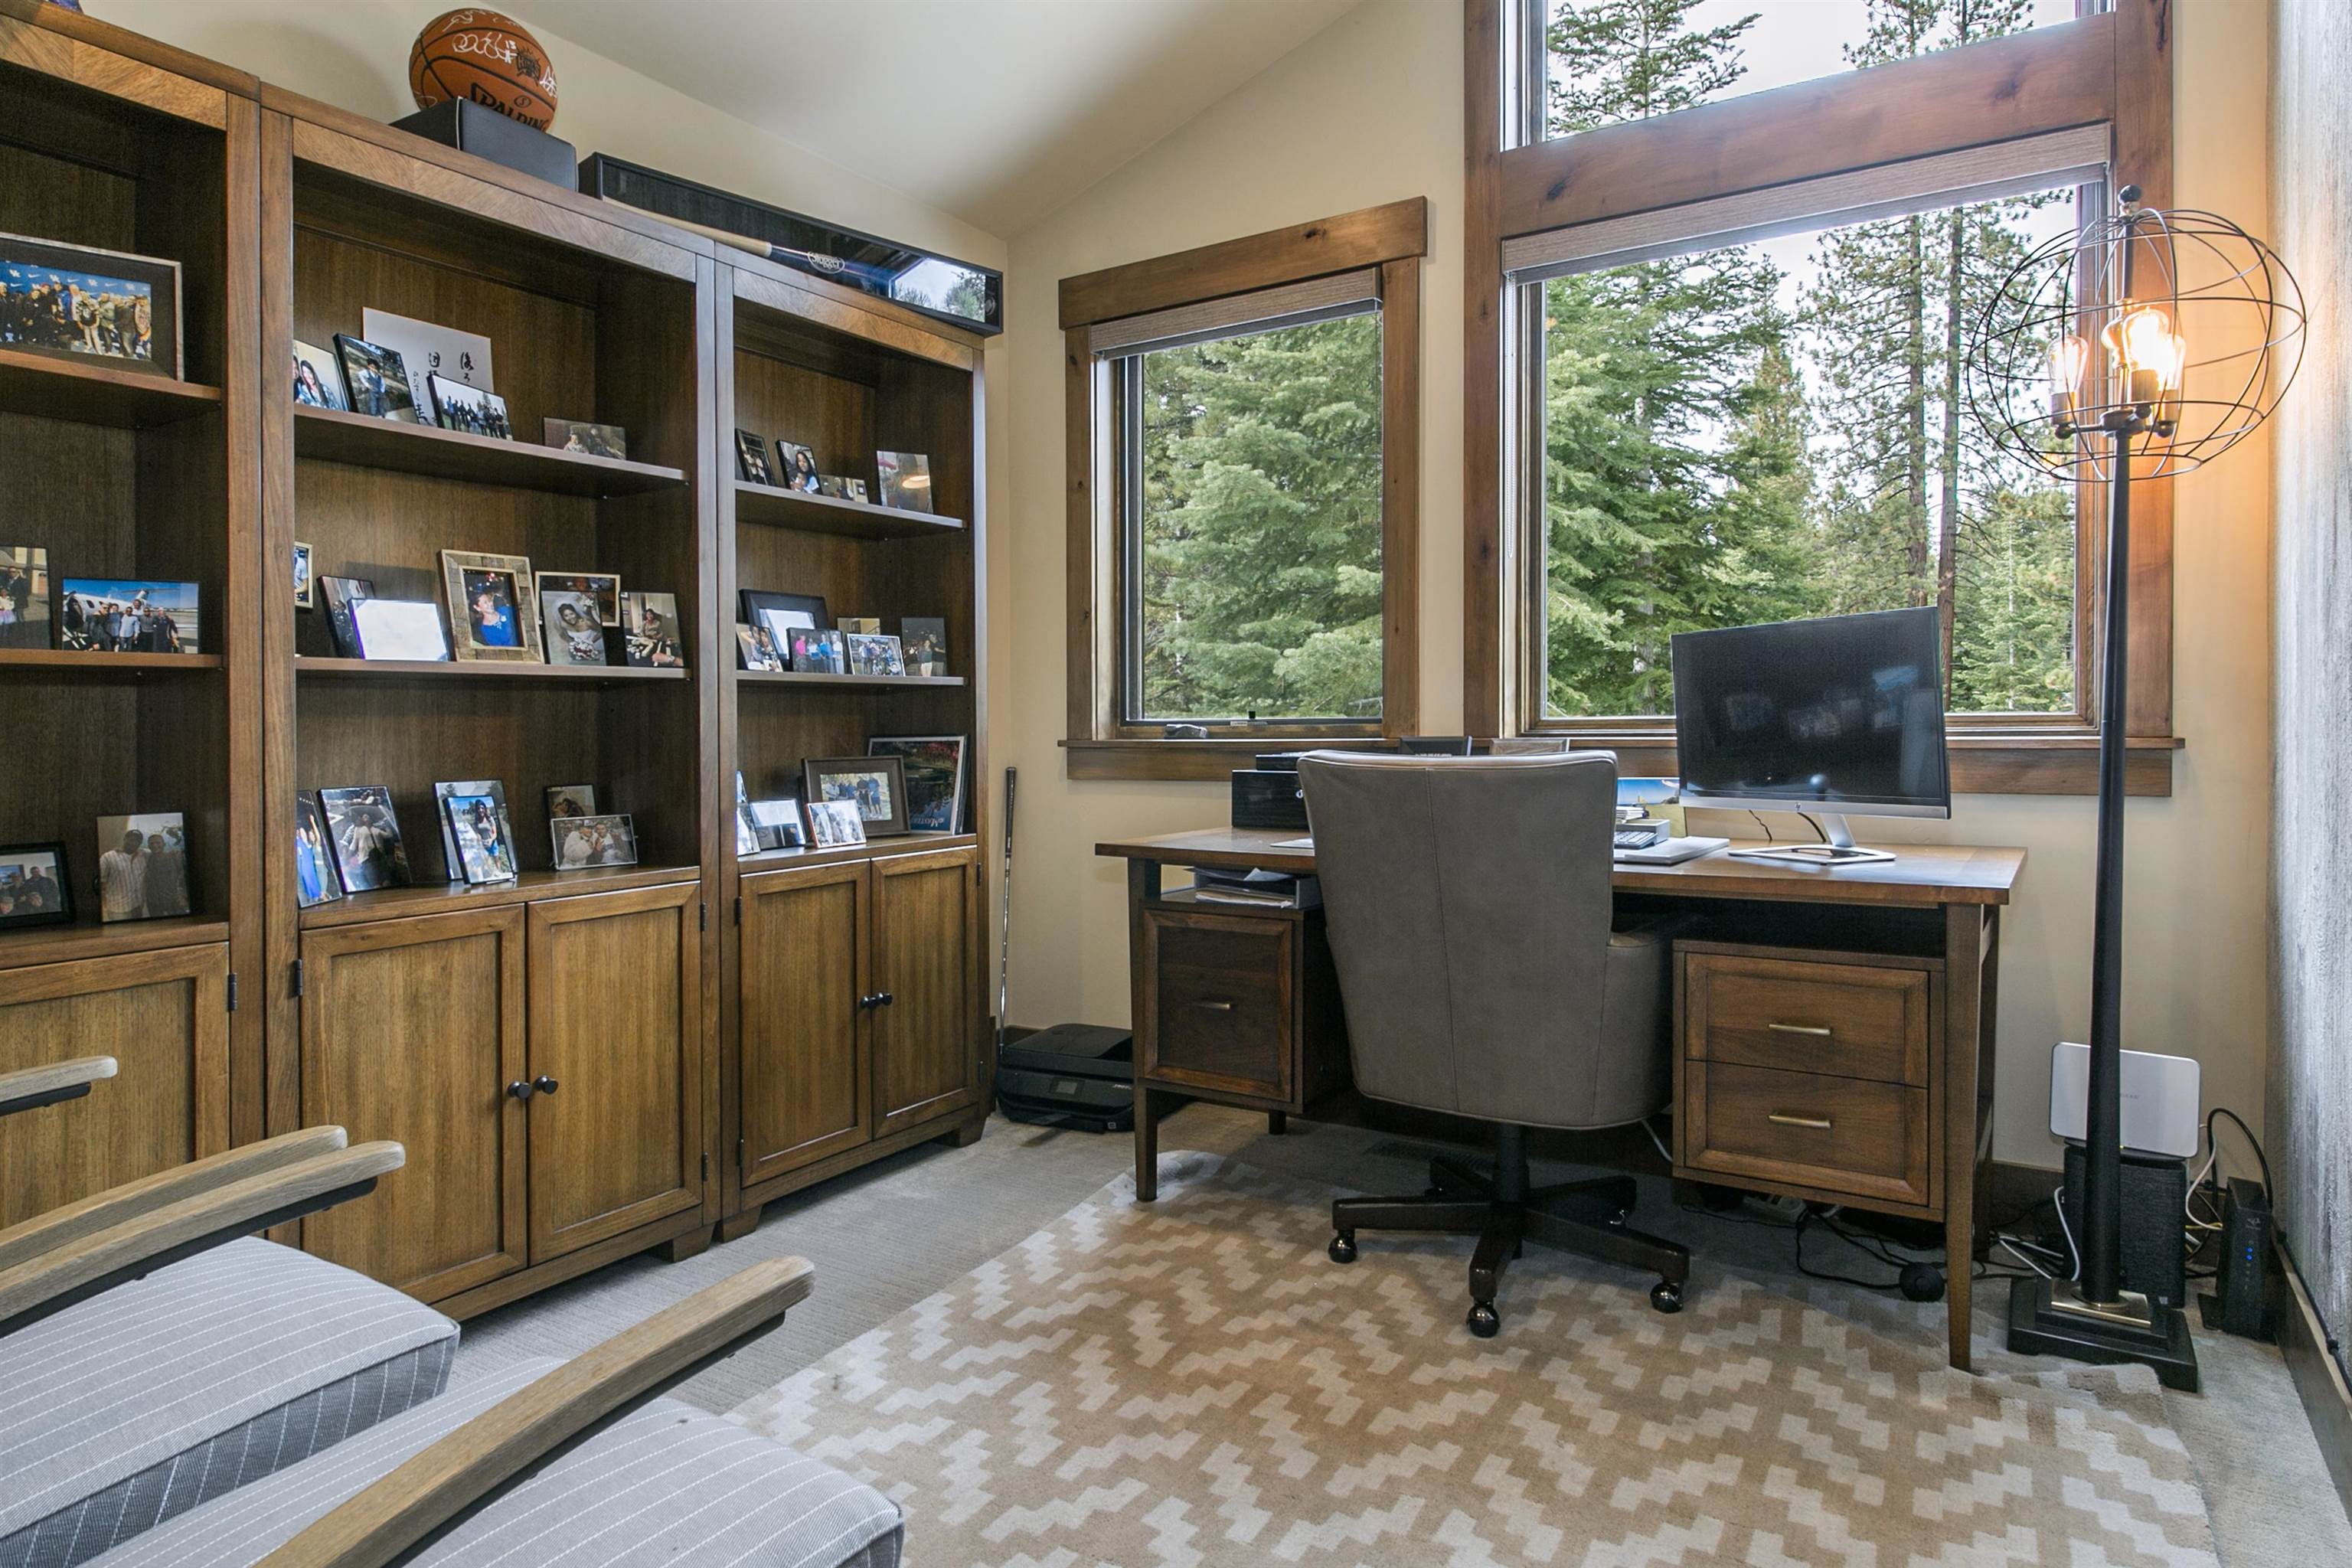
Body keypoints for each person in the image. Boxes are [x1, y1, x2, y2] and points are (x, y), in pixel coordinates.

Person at [99, 828, 147, 921]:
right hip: (118, 908)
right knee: (121, 930)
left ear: (140, 843)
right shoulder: (108, 857)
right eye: (131, 839)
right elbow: (101, 882)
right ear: (125, 839)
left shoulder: (143, 854)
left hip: (137, 905)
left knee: (138, 929)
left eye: (137, 840)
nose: (134, 842)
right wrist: (104, 904)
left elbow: (157, 851)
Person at [142, 828, 188, 917]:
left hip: (173, 900)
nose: (155, 845)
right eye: (152, 843)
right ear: (148, 846)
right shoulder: (147, 858)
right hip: (154, 902)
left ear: (164, 844)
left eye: (158, 843)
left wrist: (183, 895)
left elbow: (184, 876)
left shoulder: (174, 857)